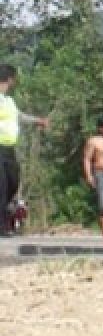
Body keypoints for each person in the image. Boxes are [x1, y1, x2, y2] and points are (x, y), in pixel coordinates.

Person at [0, 64, 49, 235]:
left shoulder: (9, 101)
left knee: (13, 183)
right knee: (2, 186)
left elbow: (19, 116)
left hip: (9, 148)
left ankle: (7, 219)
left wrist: (38, 120)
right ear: (10, 79)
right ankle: (3, 226)